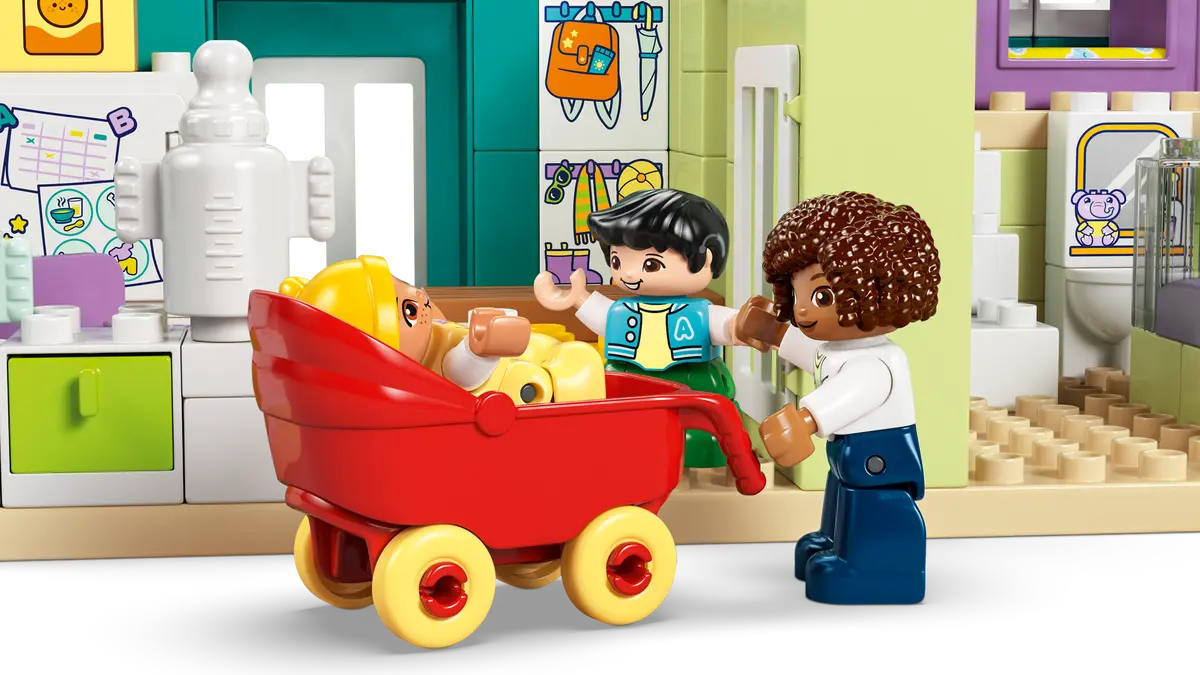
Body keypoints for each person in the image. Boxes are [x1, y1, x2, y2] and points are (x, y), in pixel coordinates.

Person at [735, 191, 942, 605]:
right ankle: (835, 541)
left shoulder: (877, 363)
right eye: (796, 295)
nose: (803, 311)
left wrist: (806, 420)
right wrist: (773, 332)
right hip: (852, 457)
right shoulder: (838, 349)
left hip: (881, 463)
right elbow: (813, 354)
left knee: (871, 508)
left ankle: (872, 569)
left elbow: (850, 393)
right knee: (842, 495)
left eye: (822, 297)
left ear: (877, 291)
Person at [533, 188, 743, 471]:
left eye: (651, 264)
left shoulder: (700, 314)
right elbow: (604, 319)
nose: (629, 274)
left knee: (698, 430)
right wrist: (576, 297)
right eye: (617, 261)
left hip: (691, 381)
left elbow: (727, 325)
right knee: (620, 427)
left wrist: (744, 327)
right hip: (629, 382)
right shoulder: (621, 311)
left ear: (706, 259)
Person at [280, 253, 531, 391]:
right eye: (409, 310)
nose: (418, 293)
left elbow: (441, 322)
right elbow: (461, 376)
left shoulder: (429, 333)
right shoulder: (435, 370)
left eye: (404, 282)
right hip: (524, 382)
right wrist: (480, 350)